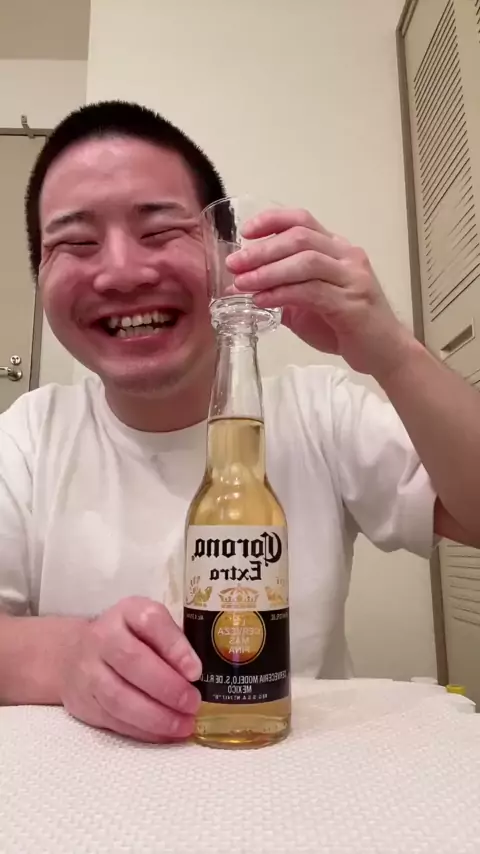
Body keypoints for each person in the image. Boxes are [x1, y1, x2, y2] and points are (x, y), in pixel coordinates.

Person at [0, 100, 479, 744]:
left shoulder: (319, 412)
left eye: (159, 230)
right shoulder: (28, 437)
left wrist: (392, 351)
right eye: (76, 243)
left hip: (293, 774)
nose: (121, 272)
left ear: (227, 254)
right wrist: (67, 657)